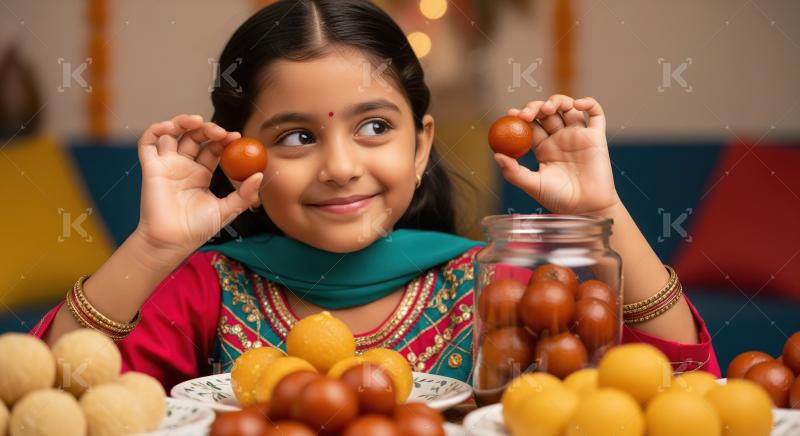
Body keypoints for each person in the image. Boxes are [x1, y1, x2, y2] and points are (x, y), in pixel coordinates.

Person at [32, 0, 719, 390]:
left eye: (373, 128)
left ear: (420, 145)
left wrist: (602, 215)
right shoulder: (204, 292)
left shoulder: (489, 283)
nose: (339, 166)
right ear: (243, 156)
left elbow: (682, 392)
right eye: (295, 137)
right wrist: (154, 247)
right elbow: (53, 395)